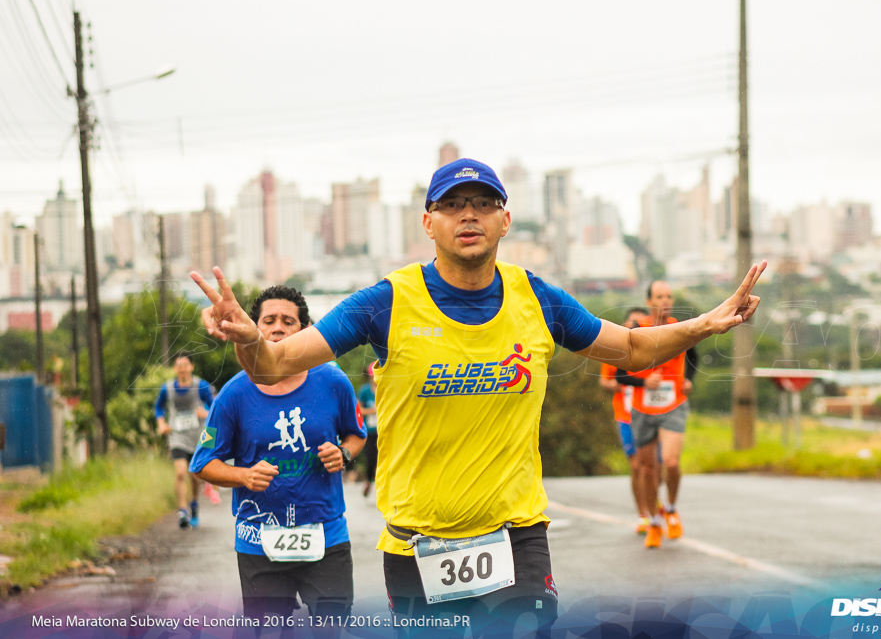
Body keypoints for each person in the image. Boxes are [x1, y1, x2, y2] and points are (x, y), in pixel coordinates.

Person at [192, 158, 765, 635]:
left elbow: (632, 349)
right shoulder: (386, 302)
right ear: (429, 222)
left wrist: (706, 324)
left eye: (484, 203)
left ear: (506, 220)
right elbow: (276, 364)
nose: (469, 214)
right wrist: (249, 342)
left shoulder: (535, 299)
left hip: (515, 536)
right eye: (452, 204)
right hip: (418, 542)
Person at [188, 285, 367, 626]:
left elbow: (356, 435)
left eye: (289, 320)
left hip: (327, 538)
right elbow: (202, 463)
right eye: (268, 320)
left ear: (305, 330)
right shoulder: (234, 393)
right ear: (253, 327)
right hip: (259, 542)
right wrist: (243, 476)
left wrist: (342, 454)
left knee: (332, 629)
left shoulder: (333, 380)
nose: (278, 327)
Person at [616, 280, 699, 549]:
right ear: (649, 301)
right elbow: (620, 374)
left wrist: (688, 378)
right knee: (648, 470)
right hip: (642, 408)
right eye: (659, 296)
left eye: (669, 296)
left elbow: (693, 357)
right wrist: (643, 383)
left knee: (671, 462)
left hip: (673, 404)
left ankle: (671, 508)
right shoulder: (637, 331)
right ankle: (653, 522)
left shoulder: (680, 328)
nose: (665, 301)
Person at [598, 307, 652, 535]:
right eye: (631, 323)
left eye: (640, 323)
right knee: (636, 465)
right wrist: (618, 385)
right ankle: (642, 514)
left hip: (650, 413)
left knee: (652, 467)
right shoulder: (616, 351)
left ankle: (652, 501)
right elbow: (605, 380)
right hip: (625, 414)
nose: (635, 327)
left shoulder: (653, 351)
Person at [155, 351, 216, 529]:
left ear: (191, 367)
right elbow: (159, 407)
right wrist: (161, 423)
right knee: (180, 472)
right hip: (177, 436)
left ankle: (195, 504)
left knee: (195, 476)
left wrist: (205, 413)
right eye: (179, 365)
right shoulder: (167, 388)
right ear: (175, 368)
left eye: (185, 365)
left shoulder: (201, 386)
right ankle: (182, 511)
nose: (182, 369)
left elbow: (216, 407)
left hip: (198, 436)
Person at [357, 363, 379, 498]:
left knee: (383, 459)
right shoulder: (364, 391)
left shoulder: (386, 387)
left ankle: (381, 484)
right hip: (369, 431)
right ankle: (368, 481)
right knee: (371, 458)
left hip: (384, 430)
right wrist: (373, 410)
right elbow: (358, 410)